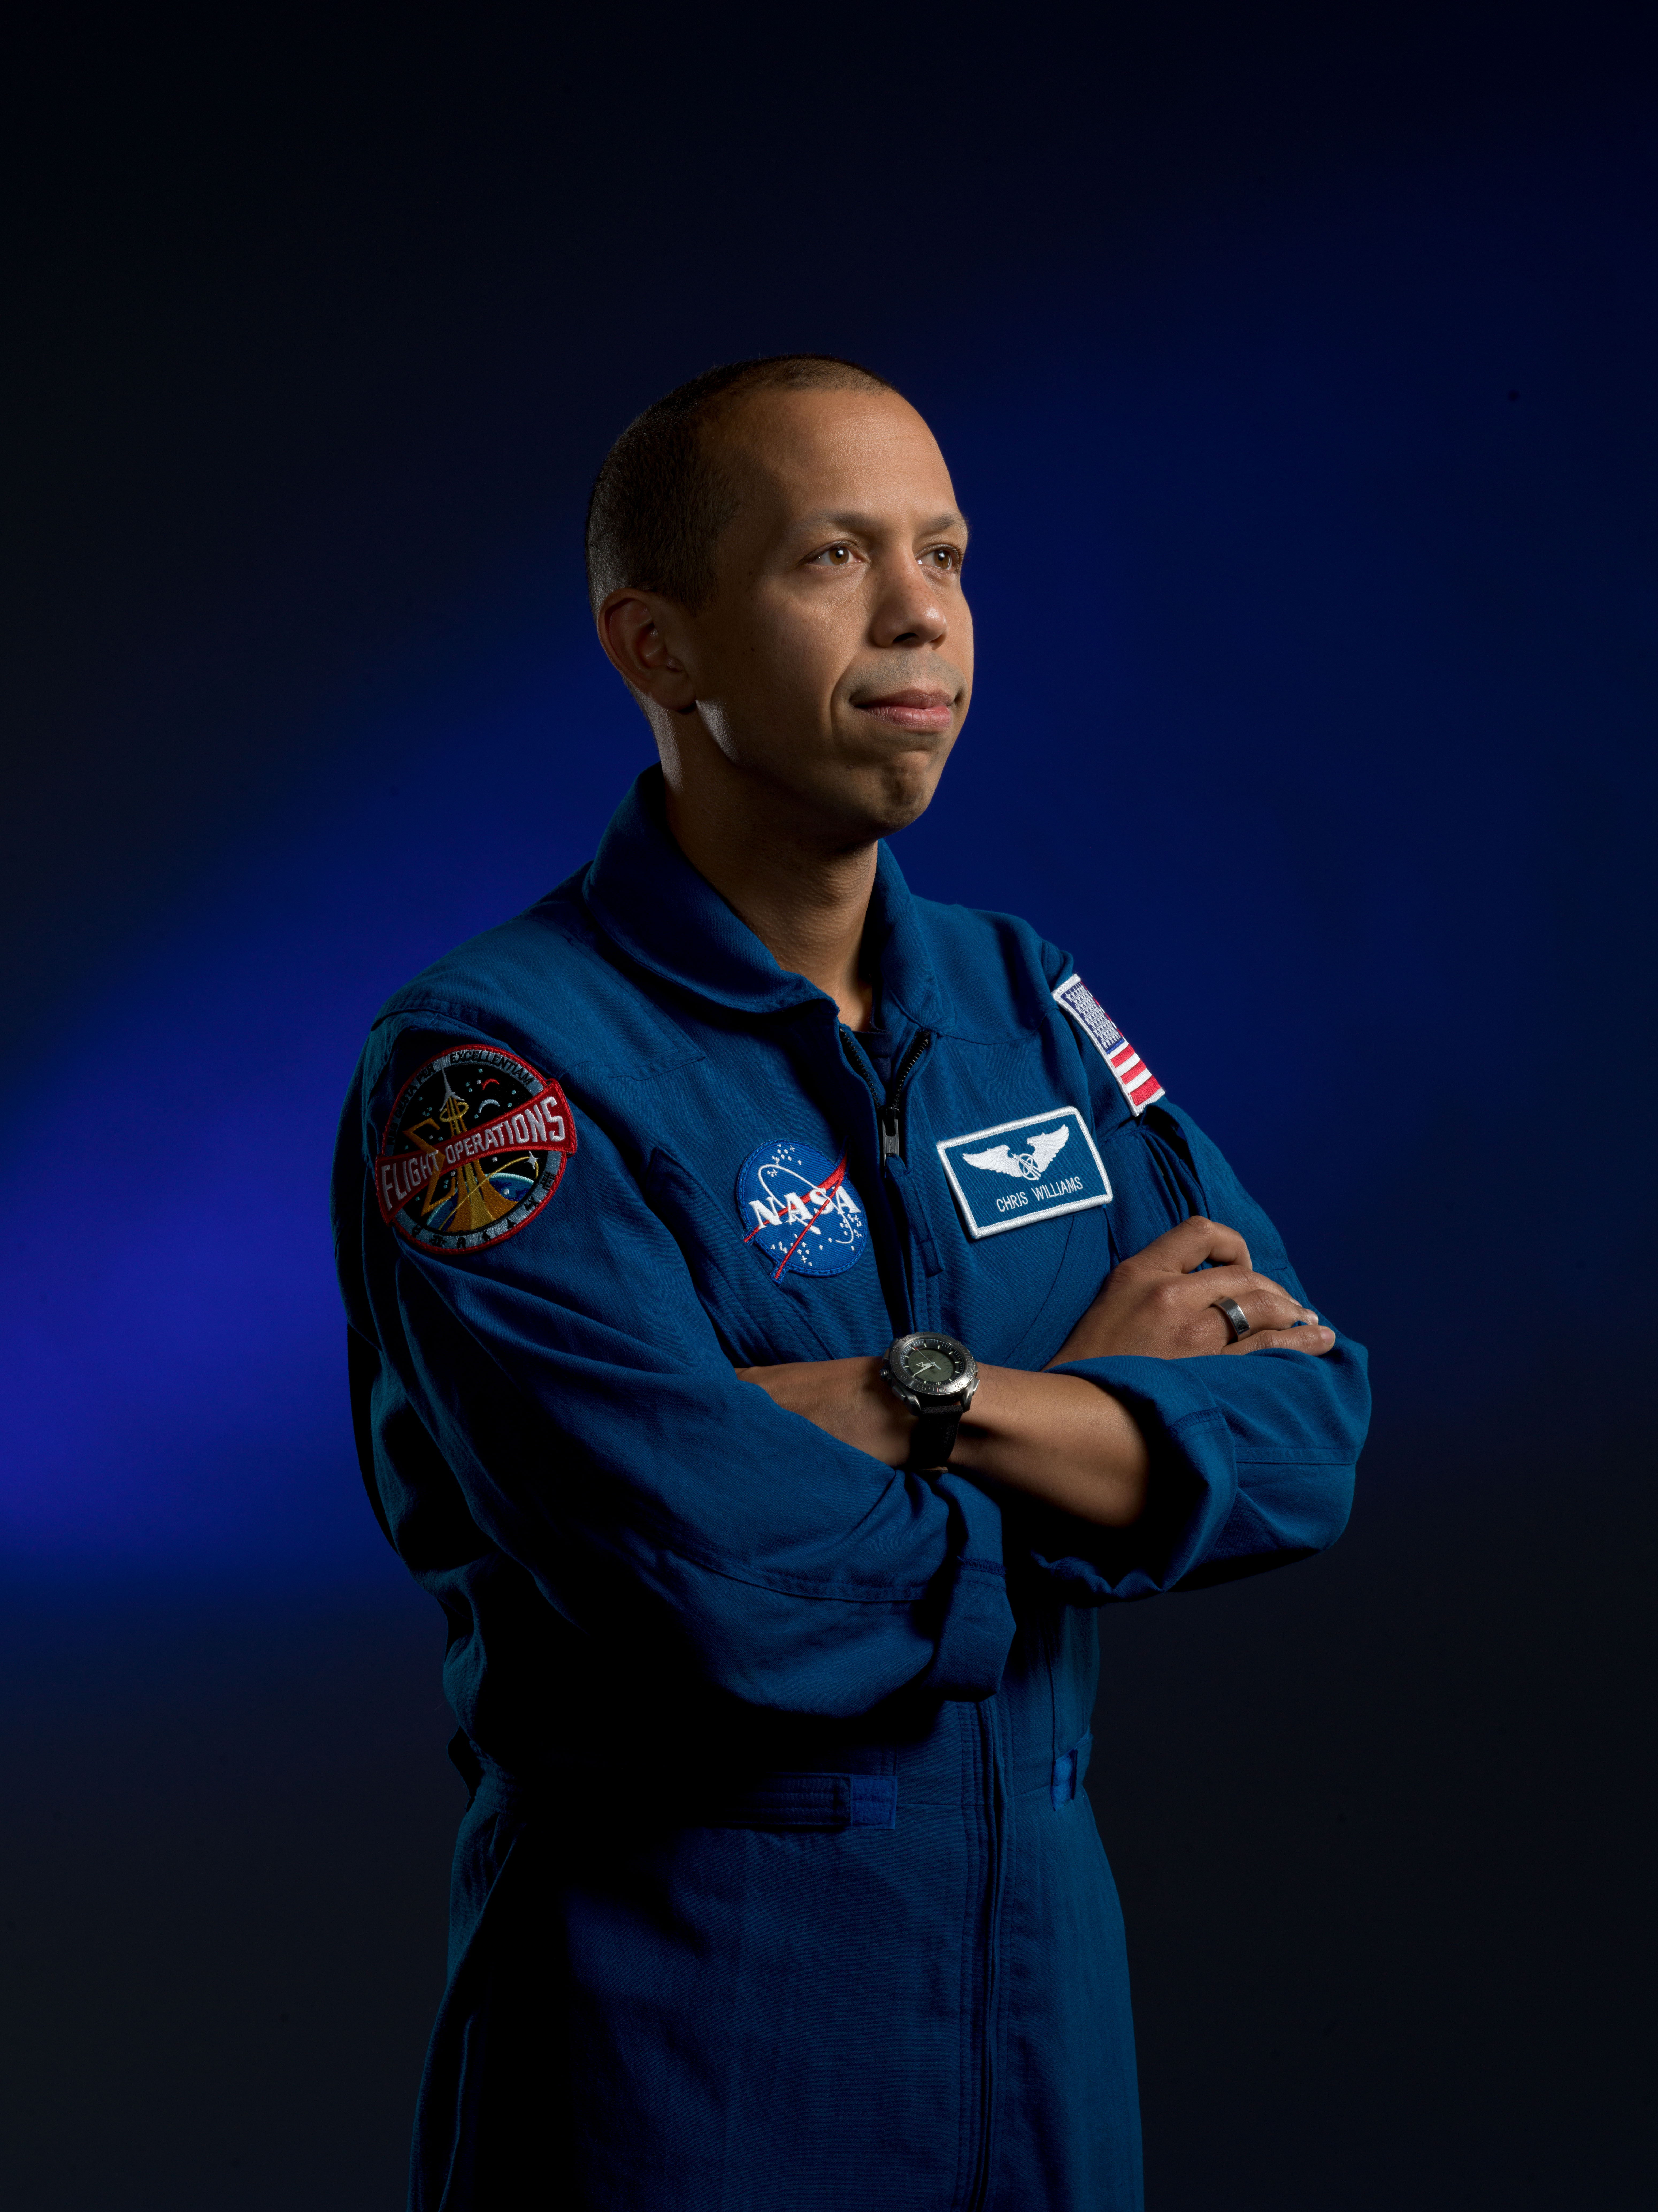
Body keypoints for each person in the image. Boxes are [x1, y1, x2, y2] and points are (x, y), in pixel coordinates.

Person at [332, 354, 1370, 2211]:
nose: (922, 616)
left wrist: (912, 1405)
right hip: (682, 2044)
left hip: (1043, 2036)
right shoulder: (489, 1071)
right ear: (659, 645)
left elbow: (1300, 1434)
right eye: (833, 556)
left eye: (947, 553)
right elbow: (709, 1580)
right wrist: (1074, 1420)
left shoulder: (1020, 996)